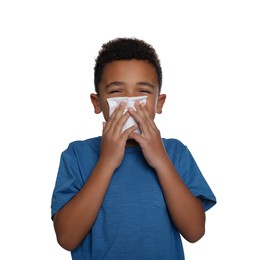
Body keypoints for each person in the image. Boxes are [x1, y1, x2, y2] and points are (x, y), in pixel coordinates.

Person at [51, 37, 216, 260]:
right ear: (97, 102)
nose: (129, 103)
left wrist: (161, 160)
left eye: (143, 92)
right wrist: (107, 161)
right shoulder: (77, 155)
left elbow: (195, 231)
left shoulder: (176, 153)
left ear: (159, 103)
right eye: (117, 92)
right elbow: (67, 238)